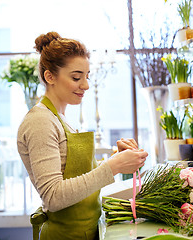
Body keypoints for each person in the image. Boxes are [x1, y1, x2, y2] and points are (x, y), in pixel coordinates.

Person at [17, 31, 148, 240]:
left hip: (86, 231)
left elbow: (77, 176)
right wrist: (114, 167)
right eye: (76, 77)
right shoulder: (40, 122)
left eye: (87, 77)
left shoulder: (60, 117)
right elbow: (53, 196)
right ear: (49, 76)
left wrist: (116, 159)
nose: (85, 85)